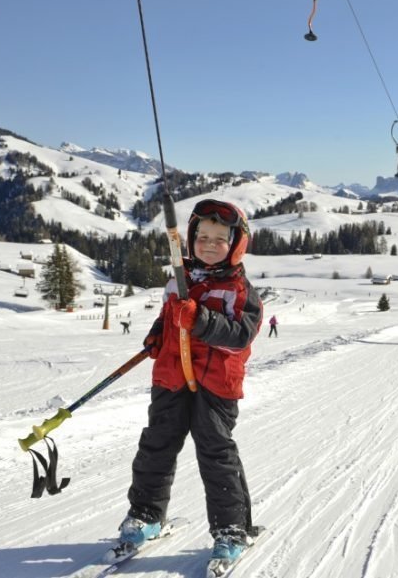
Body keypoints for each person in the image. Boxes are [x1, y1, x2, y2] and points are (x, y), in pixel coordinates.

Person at [119, 199, 263, 567]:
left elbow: (240, 336)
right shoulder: (179, 277)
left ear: (236, 244)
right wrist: (157, 336)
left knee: (215, 453)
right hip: (170, 376)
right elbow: (169, 315)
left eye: (220, 238)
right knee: (156, 446)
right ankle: (147, 516)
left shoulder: (240, 290)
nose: (210, 244)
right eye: (203, 236)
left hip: (215, 384)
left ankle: (232, 529)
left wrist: (199, 321)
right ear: (190, 238)